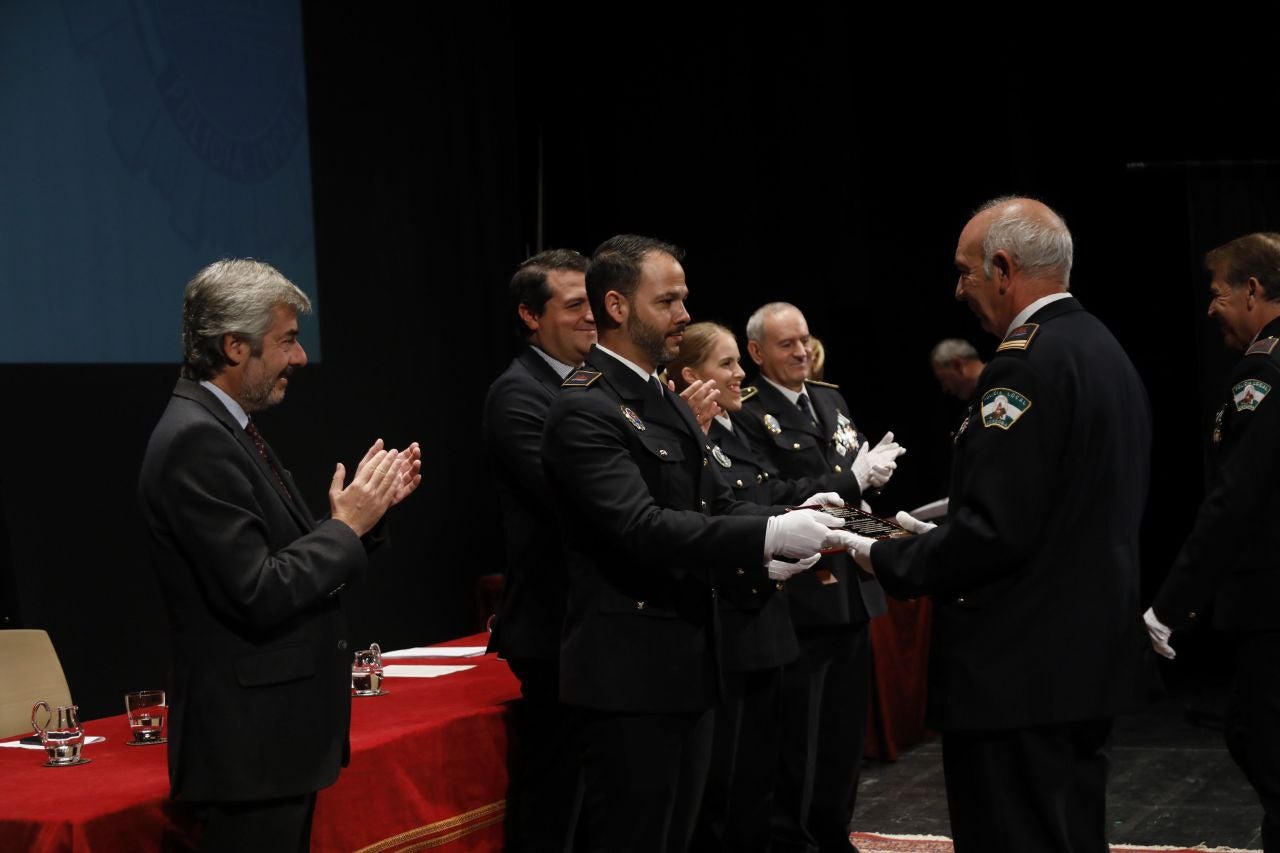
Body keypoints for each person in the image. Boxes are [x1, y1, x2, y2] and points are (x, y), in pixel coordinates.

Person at [842, 197, 1152, 852]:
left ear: (1004, 268)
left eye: (965, 272)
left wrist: (883, 555)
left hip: (1018, 671)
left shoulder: (1024, 364)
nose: (960, 290)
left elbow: (995, 531)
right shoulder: (1101, 347)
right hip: (1085, 659)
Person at [540, 235, 851, 852]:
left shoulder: (662, 398)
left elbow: (716, 501)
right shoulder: (586, 407)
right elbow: (641, 525)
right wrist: (767, 533)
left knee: (682, 835)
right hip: (628, 670)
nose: (685, 314)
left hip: (688, 656)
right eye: (669, 301)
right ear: (618, 305)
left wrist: (791, 517)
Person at [138, 259, 421, 852]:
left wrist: (361, 524)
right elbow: (258, 591)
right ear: (235, 346)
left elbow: (282, 557)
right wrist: (345, 527)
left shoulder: (228, 426)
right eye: (287, 341)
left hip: (271, 748)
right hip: (249, 753)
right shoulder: (196, 439)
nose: (299, 358)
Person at [667, 321, 865, 852]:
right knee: (725, 784)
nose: (739, 376)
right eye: (727, 364)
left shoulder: (730, 431)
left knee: (758, 773)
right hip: (732, 616)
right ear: (691, 376)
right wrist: (779, 529)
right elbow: (703, 516)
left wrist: (806, 510)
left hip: (764, 614)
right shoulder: (695, 436)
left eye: (737, 363)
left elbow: (753, 501)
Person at [736, 302, 903, 853]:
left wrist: (870, 483)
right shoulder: (747, 411)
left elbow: (848, 487)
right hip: (802, 592)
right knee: (797, 737)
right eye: (787, 344)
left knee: (841, 734)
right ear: (757, 352)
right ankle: (793, 840)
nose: (801, 351)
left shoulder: (829, 398)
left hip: (852, 588)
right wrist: (848, 479)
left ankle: (834, 834)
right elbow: (772, 495)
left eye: (804, 340)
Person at [1147, 232, 1280, 851]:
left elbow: (1235, 501)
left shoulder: (1262, 369)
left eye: (1217, 293)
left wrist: (1171, 606)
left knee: (1259, 739)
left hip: (1271, 603)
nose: (1209, 308)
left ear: (1253, 290)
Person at [483, 248, 595, 850]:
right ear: (531, 315)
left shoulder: (591, 383)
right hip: (555, 629)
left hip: (591, 624)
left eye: (593, 302)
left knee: (590, 795)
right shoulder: (519, 395)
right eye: (574, 304)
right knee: (557, 796)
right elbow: (575, 500)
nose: (591, 316)